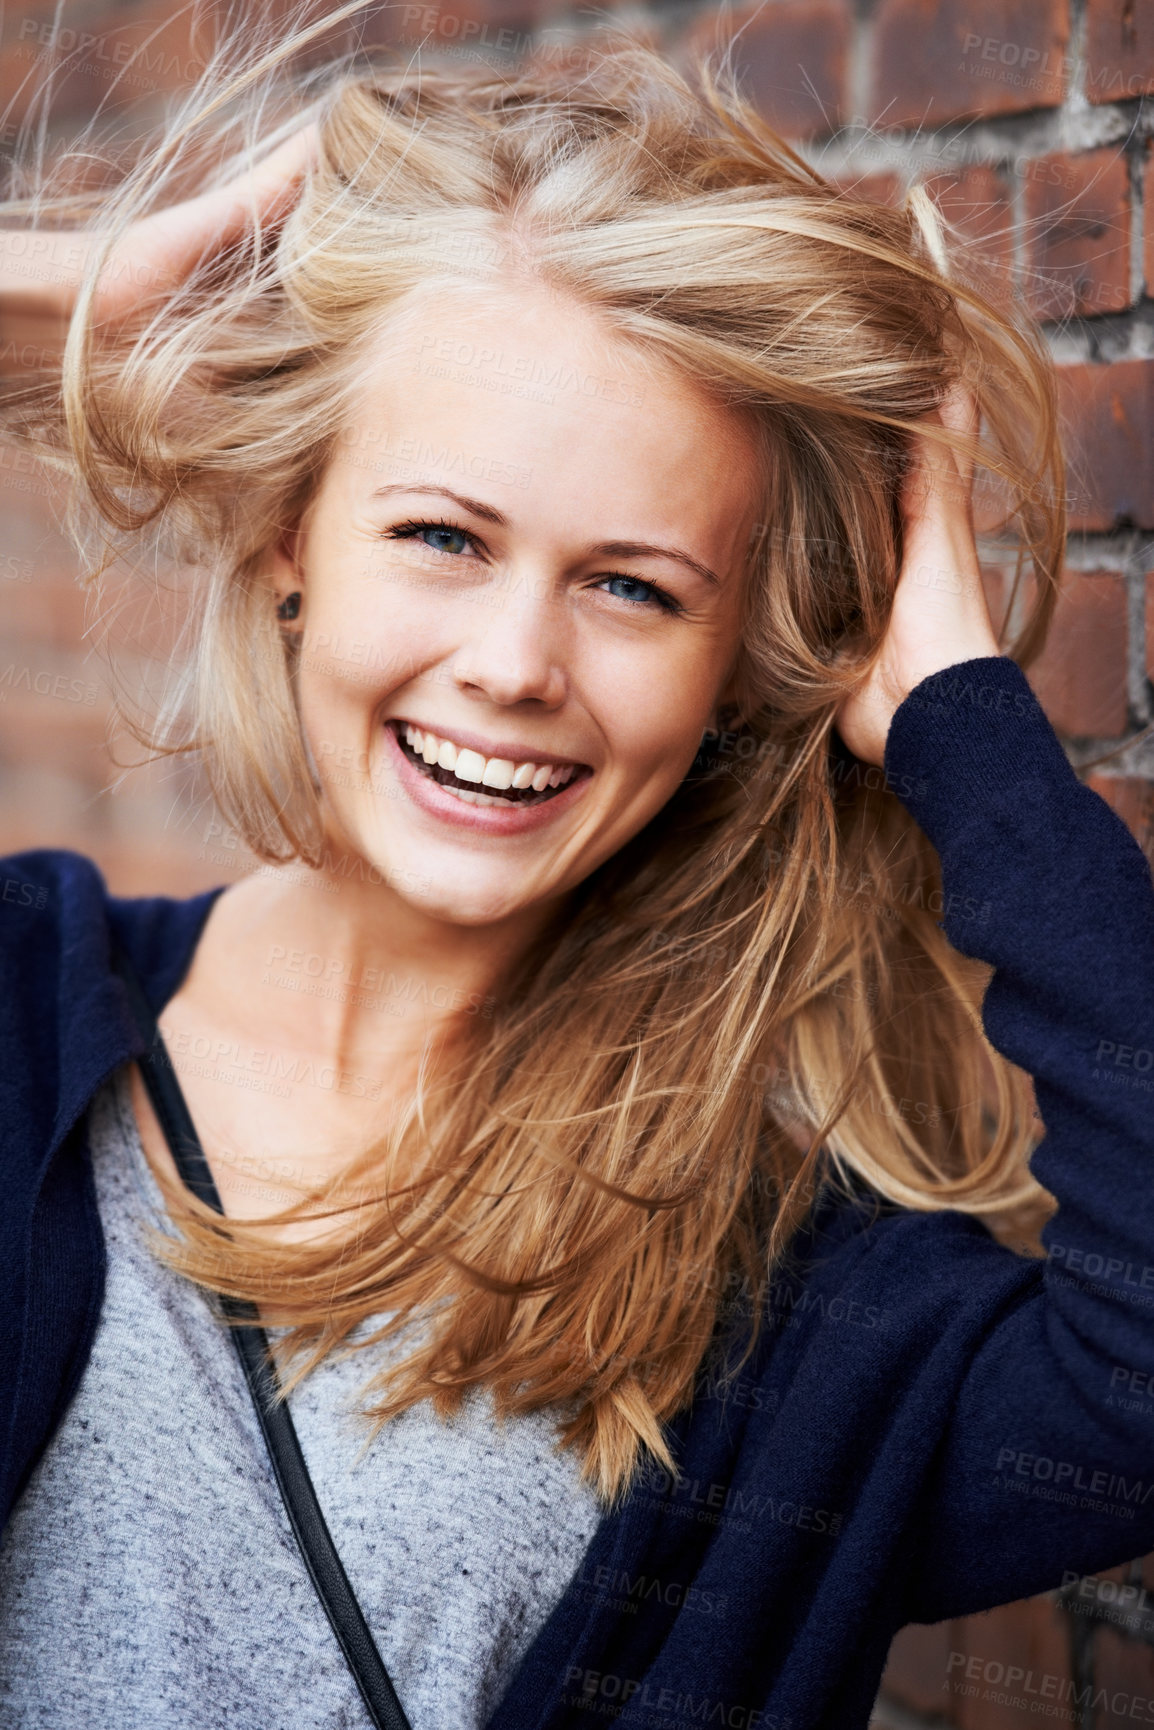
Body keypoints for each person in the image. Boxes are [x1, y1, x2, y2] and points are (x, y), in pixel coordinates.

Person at [1, 11, 1152, 1729]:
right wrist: (50, 305)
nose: (516, 663)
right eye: (443, 536)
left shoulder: (792, 1299)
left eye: (633, 586)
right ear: (287, 539)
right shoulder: (23, 1012)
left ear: (730, 671)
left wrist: (956, 722)